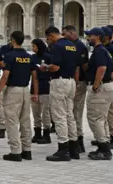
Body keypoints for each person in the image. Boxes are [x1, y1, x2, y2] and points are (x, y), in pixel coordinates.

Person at [0, 31, 38, 161]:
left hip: (13, 90)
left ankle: (15, 151)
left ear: (13, 40)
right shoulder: (29, 56)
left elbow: (5, 75)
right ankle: (27, 150)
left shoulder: (9, 56)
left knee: (12, 121)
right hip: (25, 90)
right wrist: (35, 92)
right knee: (25, 121)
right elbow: (35, 76)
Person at [44, 26, 80, 161]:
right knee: (69, 115)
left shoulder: (57, 46)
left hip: (59, 82)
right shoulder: (72, 45)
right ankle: (73, 148)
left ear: (51, 35)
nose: (49, 41)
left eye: (48, 38)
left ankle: (63, 149)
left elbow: (55, 66)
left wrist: (46, 68)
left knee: (59, 116)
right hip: (71, 81)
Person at [84, 27, 113, 160]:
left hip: (101, 88)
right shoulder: (104, 50)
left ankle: (104, 149)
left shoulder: (99, 51)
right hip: (107, 86)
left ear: (97, 37)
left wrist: (96, 85)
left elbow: (102, 68)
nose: (88, 38)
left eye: (90, 36)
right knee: (100, 119)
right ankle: (103, 145)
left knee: (95, 119)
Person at [63, 25, 89, 153]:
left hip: (77, 82)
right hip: (75, 82)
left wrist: (78, 82)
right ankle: (76, 141)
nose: (63, 36)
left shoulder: (78, 46)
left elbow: (81, 66)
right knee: (72, 112)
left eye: (65, 33)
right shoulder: (75, 45)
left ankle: (78, 141)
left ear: (72, 33)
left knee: (75, 112)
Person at [30, 38, 52, 144]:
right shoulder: (32, 58)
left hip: (45, 86)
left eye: (34, 46)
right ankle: (37, 132)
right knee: (35, 112)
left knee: (45, 112)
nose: (32, 48)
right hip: (34, 87)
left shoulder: (47, 57)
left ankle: (46, 133)